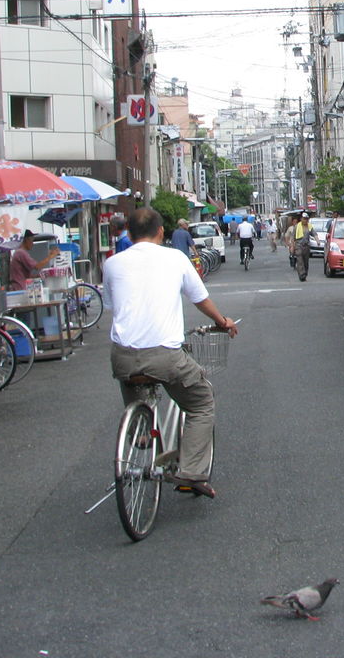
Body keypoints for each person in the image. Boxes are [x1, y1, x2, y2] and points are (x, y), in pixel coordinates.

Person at [103, 207, 237, 497]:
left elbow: (113, 306)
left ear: (128, 232)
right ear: (161, 231)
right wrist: (222, 321)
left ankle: (139, 432)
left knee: (132, 381)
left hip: (123, 355)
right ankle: (191, 473)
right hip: (165, 355)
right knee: (201, 402)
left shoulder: (112, 263)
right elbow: (200, 298)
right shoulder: (175, 258)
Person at [284, 211, 312, 281]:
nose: (305, 220)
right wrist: (291, 245)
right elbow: (290, 237)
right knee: (300, 261)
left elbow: (314, 233)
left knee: (305, 262)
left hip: (306, 246)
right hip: (298, 246)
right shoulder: (295, 227)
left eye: (306, 219)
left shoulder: (309, 226)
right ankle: (301, 275)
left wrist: (317, 240)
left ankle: (305, 273)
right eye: (304, 218)